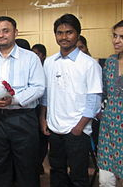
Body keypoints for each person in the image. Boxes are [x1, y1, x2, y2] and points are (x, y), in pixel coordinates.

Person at [0, 16, 45, 187]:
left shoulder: (30, 58)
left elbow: (38, 87)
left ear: (15, 33)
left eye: (6, 30)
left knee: (27, 166)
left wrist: (14, 100)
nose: (1, 35)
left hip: (22, 118)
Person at [40, 14, 103, 187]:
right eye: (60, 33)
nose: (64, 37)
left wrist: (79, 127)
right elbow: (45, 94)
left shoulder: (89, 64)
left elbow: (94, 100)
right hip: (54, 128)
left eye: (69, 32)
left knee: (78, 176)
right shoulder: (49, 62)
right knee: (57, 171)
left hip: (77, 130)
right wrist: (43, 119)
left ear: (77, 34)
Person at [97, 20, 123, 186]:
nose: (116, 40)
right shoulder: (110, 62)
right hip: (109, 127)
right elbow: (104, 92)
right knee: (106, 180)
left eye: (122, 37)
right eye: (114, 36)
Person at [31, 43, 48, 175]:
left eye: (37, 54)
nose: (34, 56)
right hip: (33, 108)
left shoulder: (47, 68)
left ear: (43, 55)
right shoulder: (31, 68)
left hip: (45, 108)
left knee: (43, 138)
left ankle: (38, 163)